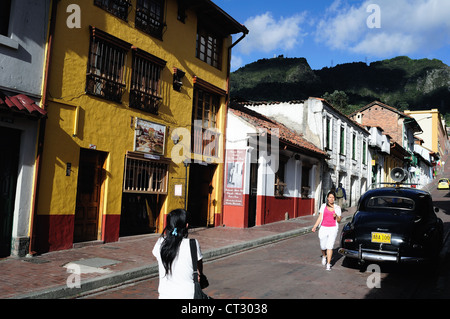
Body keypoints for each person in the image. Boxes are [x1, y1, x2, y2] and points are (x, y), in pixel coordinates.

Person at [152, 209, 204, 299]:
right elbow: (199, 268)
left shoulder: (160, 243)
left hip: (165, 295)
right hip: (188, 295)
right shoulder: (192, 244)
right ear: (186, 225)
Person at [312, 191, 342, 270]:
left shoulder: (337, 208)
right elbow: (320, 217)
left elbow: (339, 220)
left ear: (334, 198)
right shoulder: (323, 206)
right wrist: (315, 226)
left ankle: (328, 264)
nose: (331, 199)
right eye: (330, 197)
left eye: (333, 197)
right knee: (323, 246)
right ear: (327, 198)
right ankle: (324, 256)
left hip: (333, 228)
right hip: (323, 228)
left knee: (330, 246)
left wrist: (336, 216)